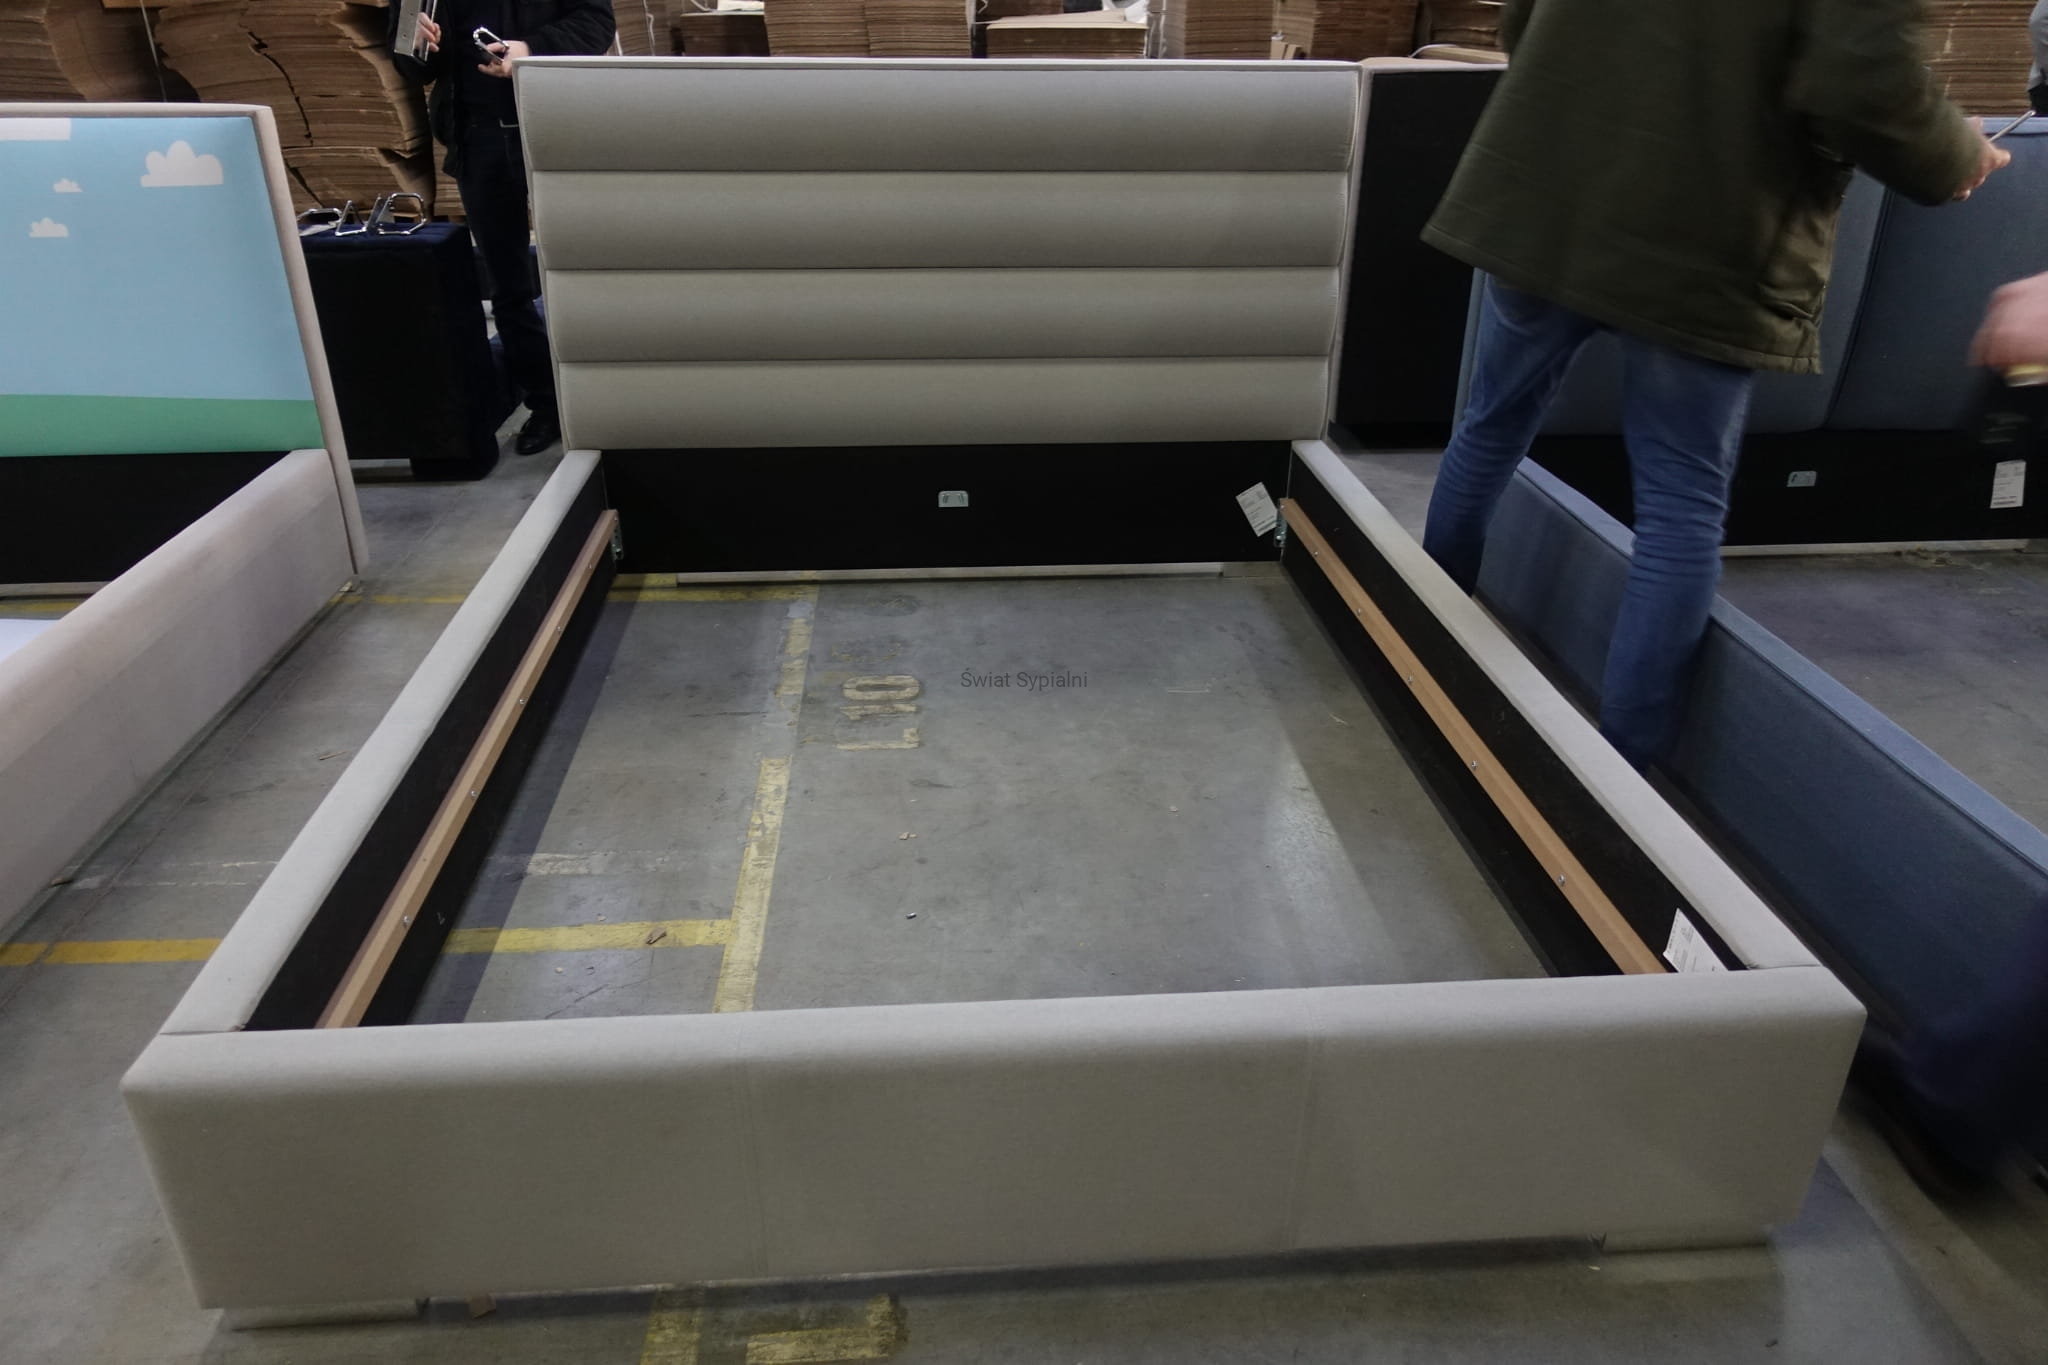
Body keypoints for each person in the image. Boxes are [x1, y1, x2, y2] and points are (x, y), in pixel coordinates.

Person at [1419, 0, 2009, 768]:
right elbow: (1862, 83)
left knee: (1491, 423)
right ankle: (1623, 775)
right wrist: (1954, 156)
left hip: (1551, 189)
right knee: (1679, 502)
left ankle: (1423, 635)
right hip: (1708, 232)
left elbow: (1524, 19)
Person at [393, 0, 616, 456]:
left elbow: (597, 22)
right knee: (508, 286)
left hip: (557, 126)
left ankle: (606, 398)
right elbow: (412, 64)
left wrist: (530, 50)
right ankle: (547, 404)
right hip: (478, 137)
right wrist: (414, 44)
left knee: (588, 271)